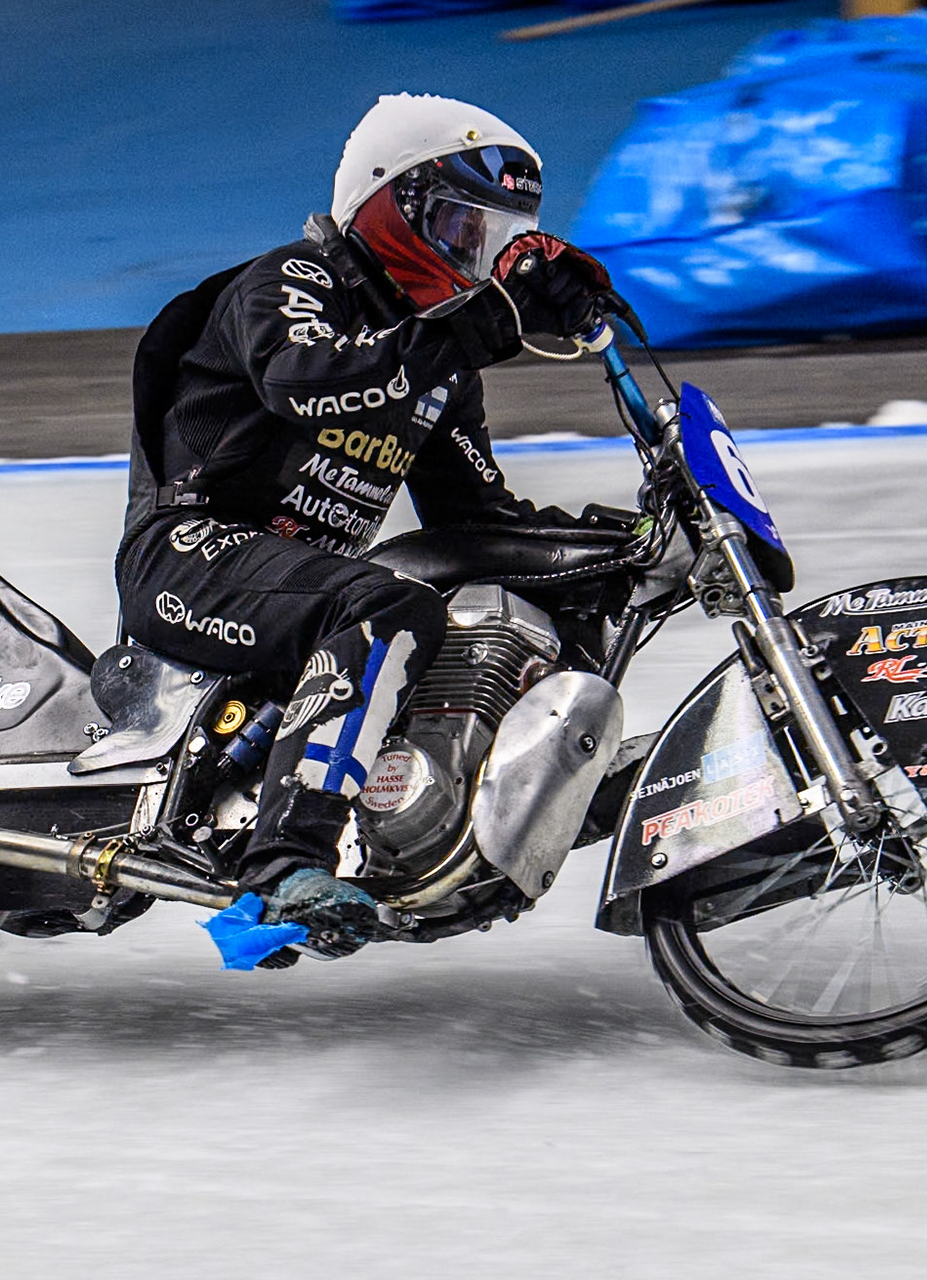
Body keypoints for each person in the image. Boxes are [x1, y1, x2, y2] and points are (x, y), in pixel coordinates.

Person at [117, 93, 624, 956]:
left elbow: (475, 520)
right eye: (466, 229)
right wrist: (484, 324)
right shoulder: (292, 282)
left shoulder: (439, 370)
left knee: (488, 600)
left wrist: (615, 547)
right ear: (395, 206)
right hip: (188, 556)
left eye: (496, 243)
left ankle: (444, 830)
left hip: (296, 587)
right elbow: (304, 381)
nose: (479, 260)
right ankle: (286, 864)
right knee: (386, 606)